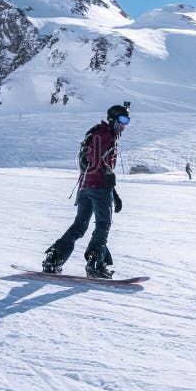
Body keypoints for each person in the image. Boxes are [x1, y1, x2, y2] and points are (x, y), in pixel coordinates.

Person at [42, 103, 131, 278]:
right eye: (122, 119)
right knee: (103, 224)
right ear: (112, 119)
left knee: (80, 225)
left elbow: (95, 162)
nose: (124, 124)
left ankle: (55, 257)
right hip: (98, 188)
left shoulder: (102, 133)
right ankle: (95, 262)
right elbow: (94, 157)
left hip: (86, 187)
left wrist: (115, 193)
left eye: (127, 120)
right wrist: (107, 172)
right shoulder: (104, 134)